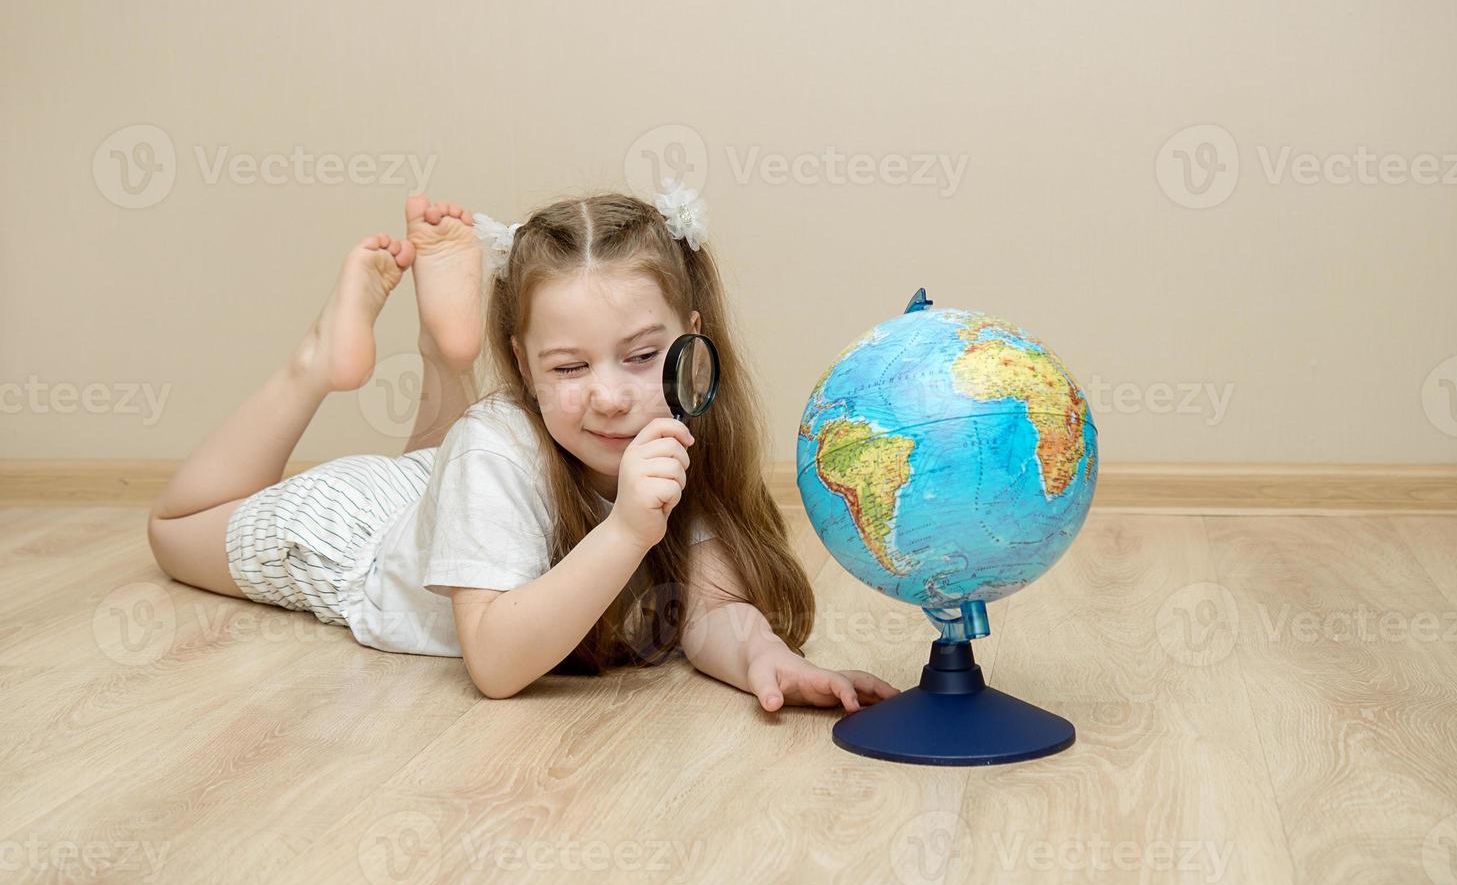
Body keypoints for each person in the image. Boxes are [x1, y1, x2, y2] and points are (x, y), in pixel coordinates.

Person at [146, 183, 899, 712]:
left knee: (465, 462)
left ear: (693, 340)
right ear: (524, 365)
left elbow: (713, 614)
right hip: (365, 538)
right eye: (569, 367)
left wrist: (772, 661)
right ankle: (316, 362)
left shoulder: (683, 433)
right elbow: (498, 666)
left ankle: (445, 355)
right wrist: (629, 528)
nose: (609, 396)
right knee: (177, 527)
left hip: (453, 495)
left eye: (640, 356)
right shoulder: (496, 449)